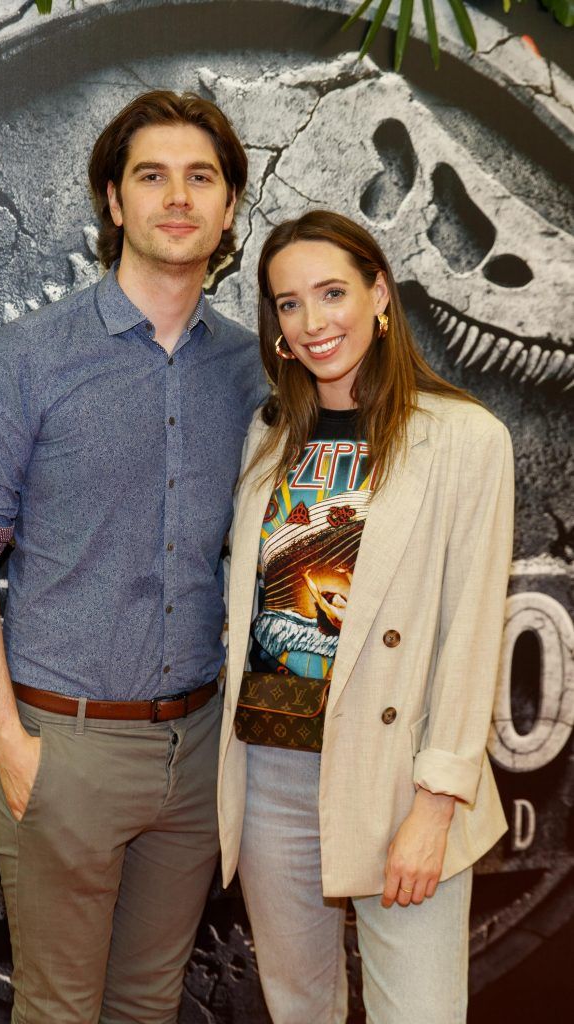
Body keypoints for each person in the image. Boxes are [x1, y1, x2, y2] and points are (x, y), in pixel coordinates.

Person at [0, 90, 266, 1024]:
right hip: (62, 742)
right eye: (150, 175)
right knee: (59, 1009)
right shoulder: (27, 359)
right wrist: (7, 741)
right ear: (112, 203)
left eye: (200, 177)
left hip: (200, 746)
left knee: (150, 1005)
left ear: (229, 206)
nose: (176, 196)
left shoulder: (253, 372)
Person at [217, 210, 513, 1024]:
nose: (312, 323)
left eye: (331, 293)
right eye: (287, 304)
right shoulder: (268, 438)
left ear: (379, 295)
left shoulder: (464, 439)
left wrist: (435, 804)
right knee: (298, 1009)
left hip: (399, 778)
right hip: (271, 770)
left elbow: (469, 636)